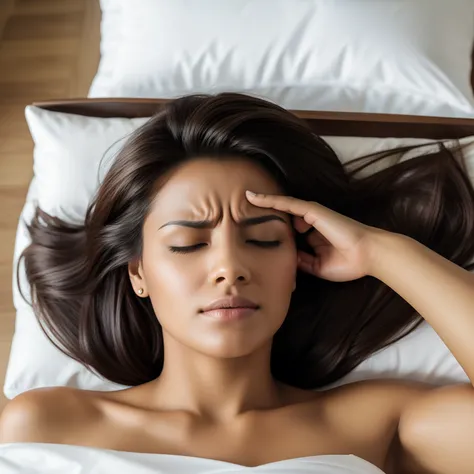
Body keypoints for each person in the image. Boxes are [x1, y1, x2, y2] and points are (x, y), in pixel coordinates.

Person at [0, 93, 473, 474]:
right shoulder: (44, 424)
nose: (230, 266)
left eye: (265, 240)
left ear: (297, 265)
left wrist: (384, 253)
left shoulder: (373, 425)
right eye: (188, 243)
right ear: (138, 272)